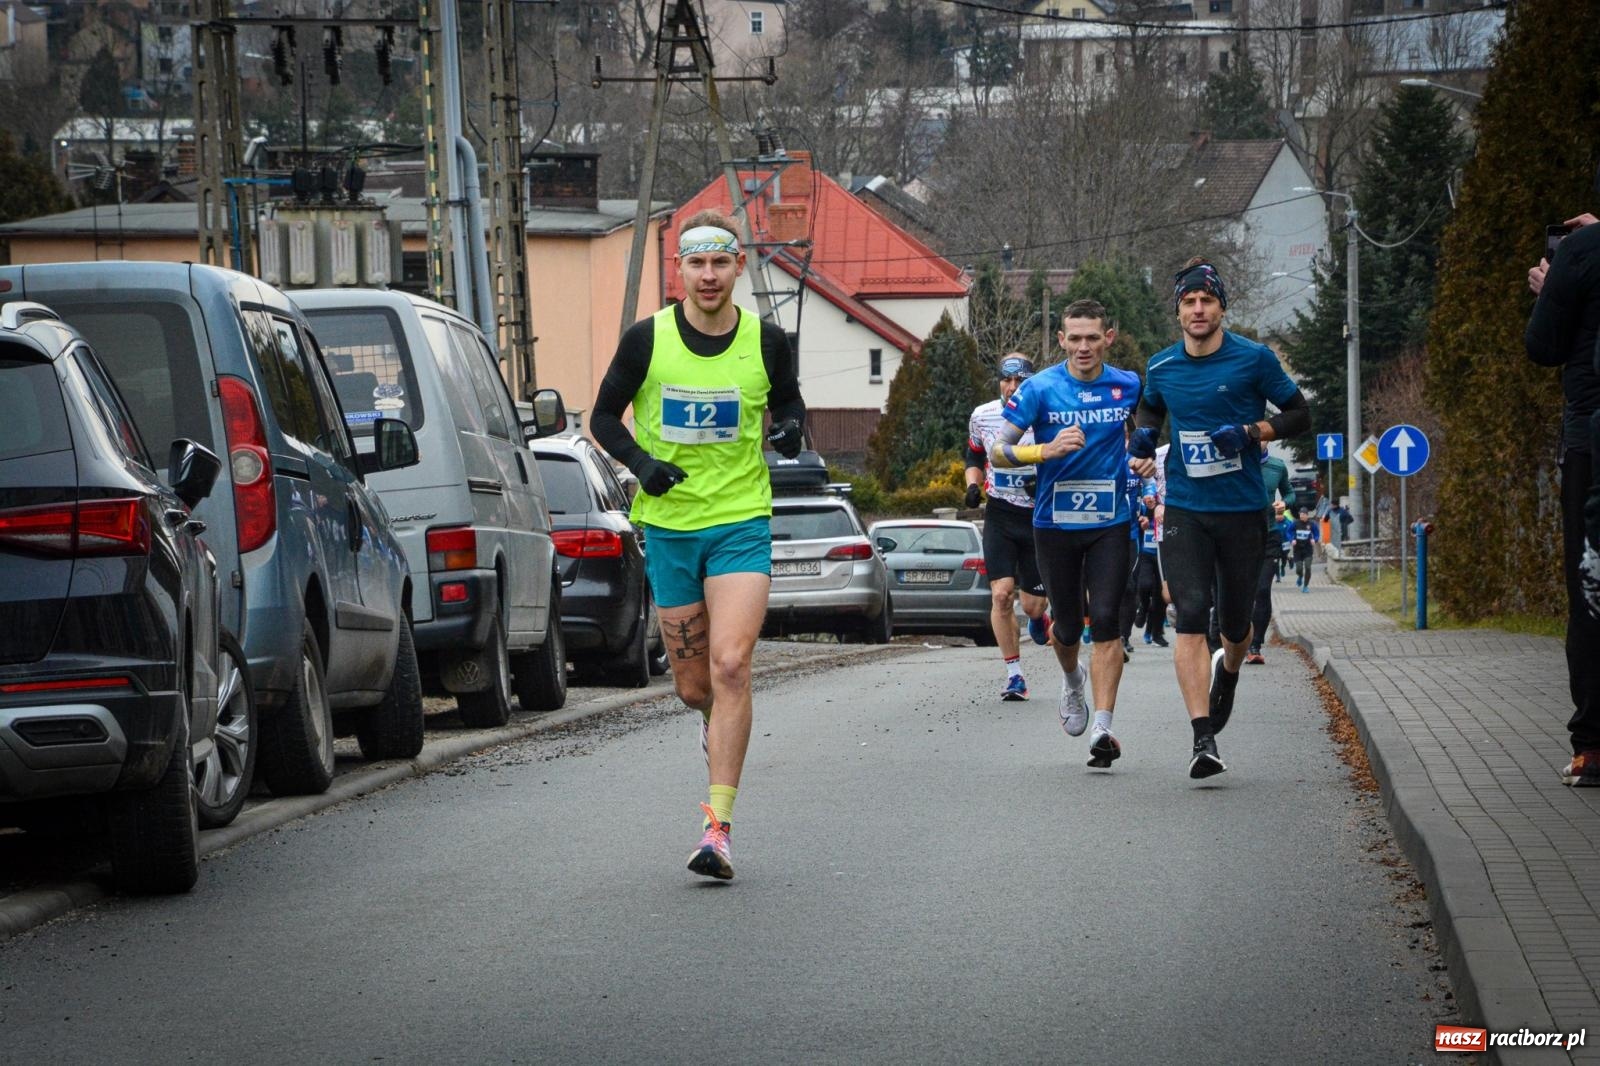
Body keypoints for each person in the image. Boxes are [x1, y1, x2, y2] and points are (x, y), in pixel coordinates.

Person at [591, 210, 806, 879]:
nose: (709, 276)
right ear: (678, 270)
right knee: (693, 688)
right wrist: (642, 465)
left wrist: (794, 429)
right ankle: (716, 729)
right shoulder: (646, 340)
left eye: (720, 262)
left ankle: (718, 828)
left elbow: (792, 403)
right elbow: (600, 417)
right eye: (696, 263)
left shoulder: (767, 341)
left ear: (739, 265)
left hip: (741, 521)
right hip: (671, 528)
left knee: (733, 663)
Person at [1127, 260, 1311, 779]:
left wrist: (1252, 432)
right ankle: (1201, 738)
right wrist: (1144, 437)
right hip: (1185, 508)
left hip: (1242, 512)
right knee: (1188, 614)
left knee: (1235, 627)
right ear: (1179, 311)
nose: (1198, 310)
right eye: (1189, 302)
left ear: (1222, 307)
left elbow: (1300, 415)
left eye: (1207, 301)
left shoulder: (1253, 358)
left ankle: (1228, 671)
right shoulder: (1161, 366)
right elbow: (1151, 409)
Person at [991, 299, 1141, 770]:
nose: (1083, 347)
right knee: (1067, 627)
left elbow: (1148, 428)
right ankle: (1073, 681)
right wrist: (1045, 450)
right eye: (1074, 338)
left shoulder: (1128, 385)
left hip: (1110, 523)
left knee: (1108, 619)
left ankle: (1103, 725)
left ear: (1108, 339)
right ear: (1061, 340)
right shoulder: (1039, 388)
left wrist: (1144, 454)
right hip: (1054, 526)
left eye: (1092, 338)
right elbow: (997, 452)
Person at [1526, 200, 1600, 787]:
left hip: (1592, 443)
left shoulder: (1579, 254)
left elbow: (1544, 346)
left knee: (1591, 586)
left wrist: (1554, 288)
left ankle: (1593, 747)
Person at [965, 353, 1051, 700]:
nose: (1013, 388)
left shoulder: (1046, 414)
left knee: (1032, 605)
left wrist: (1042, 482)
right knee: (1001, 595)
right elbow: (973, 455)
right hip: (1000, 513)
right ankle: (1014, 674)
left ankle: (1037, 620)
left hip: (1037, 516)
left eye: (1020, 381)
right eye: (1006, 380)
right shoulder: (983, 416)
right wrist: (972, 485)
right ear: (998, 381)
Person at [1246, 451, 1296, 664]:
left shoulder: (1277, 466)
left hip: (1270, 535)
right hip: (1241, 536)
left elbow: (1290, 493)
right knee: (1241, 593)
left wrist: (1285, 503)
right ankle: (1235, 641)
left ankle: (1255, 645)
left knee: (1263, 589)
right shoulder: (1237, 462)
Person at [1291, 507, 1318, 590]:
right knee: (1299, 568)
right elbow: (1288, 532)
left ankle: (1305, 586)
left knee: (1308, 567)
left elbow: (1317, 533)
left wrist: (1315, 539)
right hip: (1297, 549)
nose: (1301, 516)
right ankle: (1300, 576)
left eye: (1303, 514)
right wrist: (1291, 539)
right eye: (1300, 514)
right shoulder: (1295, 523)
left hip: (1308, 549)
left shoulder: (1311, 524)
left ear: (1307, 515)